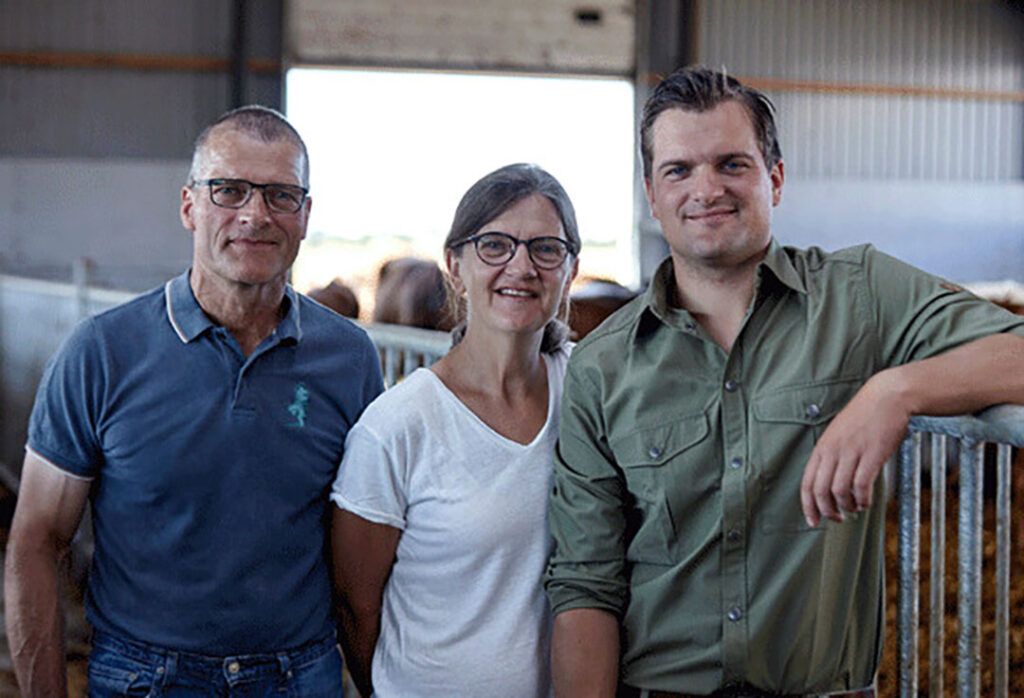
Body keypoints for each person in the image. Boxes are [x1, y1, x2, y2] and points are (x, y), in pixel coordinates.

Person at [544, 66, 1024, 698]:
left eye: (732, 165)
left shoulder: (860, 296)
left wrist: (895, 390)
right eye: (679, 170)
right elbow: (586, 583)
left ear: (775, 177)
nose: (706, 189)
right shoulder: (602, 365)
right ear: (651, 193)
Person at [4, 105, 384, 697]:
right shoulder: (102, 353)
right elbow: (36, 538)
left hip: (300, 675)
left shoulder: (351, 358)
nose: (255, 215)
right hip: (144, 678)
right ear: (189, 206)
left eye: (281, 195)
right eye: (229, 190)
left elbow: (366, 548)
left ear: (305, 215)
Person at [330, 163, 580, 698]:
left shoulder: (591, 391)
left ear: (570, 271)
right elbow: (355, 604)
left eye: (546, 249)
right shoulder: (397, 426)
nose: (521, 266)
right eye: (494, 245)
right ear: (455, 265)